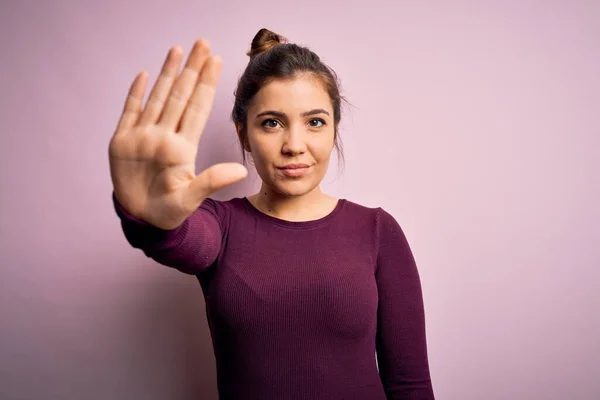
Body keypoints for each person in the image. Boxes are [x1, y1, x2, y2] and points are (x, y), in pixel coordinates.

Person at [109, 28, 435, 399]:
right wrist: (150, 218)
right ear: (244, 134)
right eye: (271, 123)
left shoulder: (377, 230)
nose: (294, 146)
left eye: (315, 122)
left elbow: (410, 385)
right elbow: (182, 241)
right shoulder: (219, 223)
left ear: (333, 130)